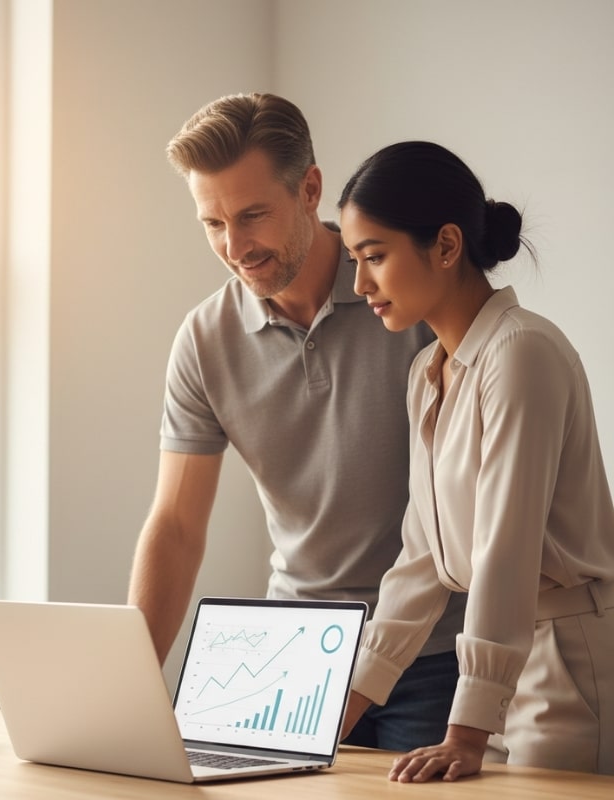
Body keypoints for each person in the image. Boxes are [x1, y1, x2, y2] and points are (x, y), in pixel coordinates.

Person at [127, 94, 466, 752]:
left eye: (253, 215)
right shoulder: (205, 339)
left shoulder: (412, 298)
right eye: (213, 224)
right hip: (287, 654)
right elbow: (174, 527)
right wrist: (125, 688)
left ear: (310, 188)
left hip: (429, 655)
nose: (235, 247)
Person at [337, 140, 614, 780]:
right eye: (355, 260)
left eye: (374, 256)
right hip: (493, 668)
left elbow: (504, 549)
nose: (360, 284)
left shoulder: (522, 353)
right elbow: (421, 561)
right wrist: (345, 705)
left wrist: (465, 730)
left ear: (446, 244)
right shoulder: (426, 374)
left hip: (565, 665)